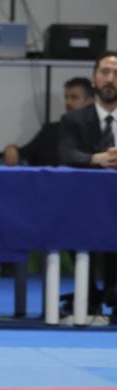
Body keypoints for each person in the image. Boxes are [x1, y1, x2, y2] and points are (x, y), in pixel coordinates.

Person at [59, 52, 117, 311]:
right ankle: (90, 295)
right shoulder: (74, 119)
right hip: (84, 206)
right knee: (70, 223)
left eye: (116, 74)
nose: (110, 79)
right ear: (94, 79)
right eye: (104, 72)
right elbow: (67, 153)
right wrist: (98, 158)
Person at [4, 77, 93, 166]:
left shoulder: (97, 132)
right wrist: (11, 149)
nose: (68, 102)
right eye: (66, 97)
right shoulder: (50, 130)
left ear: (90, 101)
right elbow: (23, 153)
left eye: (74, 98)